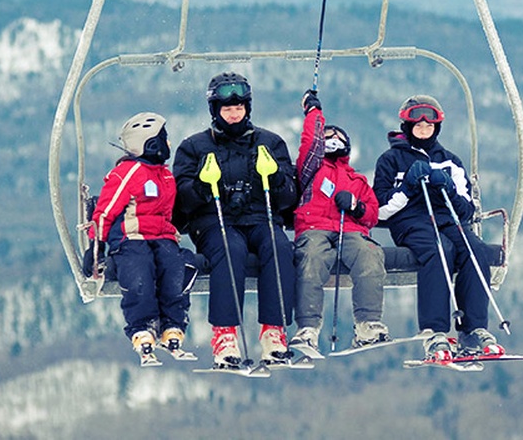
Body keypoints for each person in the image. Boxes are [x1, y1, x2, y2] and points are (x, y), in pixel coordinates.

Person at [173, 72, 298, 367]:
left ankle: (274, 331)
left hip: (260, 217)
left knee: (279, 248)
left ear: (248, 108)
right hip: (214, 222)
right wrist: (203, 186)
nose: (233, 114)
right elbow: (180, 203)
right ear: (215, 110)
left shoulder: (269, 143)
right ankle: (225, 335)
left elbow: (289, 198)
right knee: (231, 250)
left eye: (239, 108)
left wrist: (276, 176)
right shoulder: (194, 148)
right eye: (227, 109)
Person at [372, 95, 504, 360]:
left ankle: (473, 328)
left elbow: (467, 210)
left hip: (448, 218)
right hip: (410, 222)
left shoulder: (450, 161)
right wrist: (407, 187)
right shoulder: (390, 160)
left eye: (429, 126)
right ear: (407, 127)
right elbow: (379, 211)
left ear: (436, 127)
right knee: (439, 249)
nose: (423, 130)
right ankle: (435, 331)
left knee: (473, 249)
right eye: (418, 126)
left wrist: (448, 188)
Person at [83, 112, 191, 358]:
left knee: (174, 267)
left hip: (162, 236)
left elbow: (168, 214)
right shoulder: (128, 172)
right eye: (165, 139)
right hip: (131, 237)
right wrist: (95, 245)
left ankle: (173, 322)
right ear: (150, 143)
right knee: (139, 272)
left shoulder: (165, 175)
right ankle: (142, 325)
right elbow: (106, 211)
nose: (169, 144)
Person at [289, 90, 388, 354]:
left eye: (338, 138)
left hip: (350, 230)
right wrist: (313, 113)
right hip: (315, 227)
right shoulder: (312, 170)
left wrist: (356, 206)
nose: (332, 141)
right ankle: (308, 327)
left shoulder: (358, 180)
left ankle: (368, 323)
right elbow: (310, 143)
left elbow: (372, 214)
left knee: (369, 255)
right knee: (311, 258)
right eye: (328, 137)